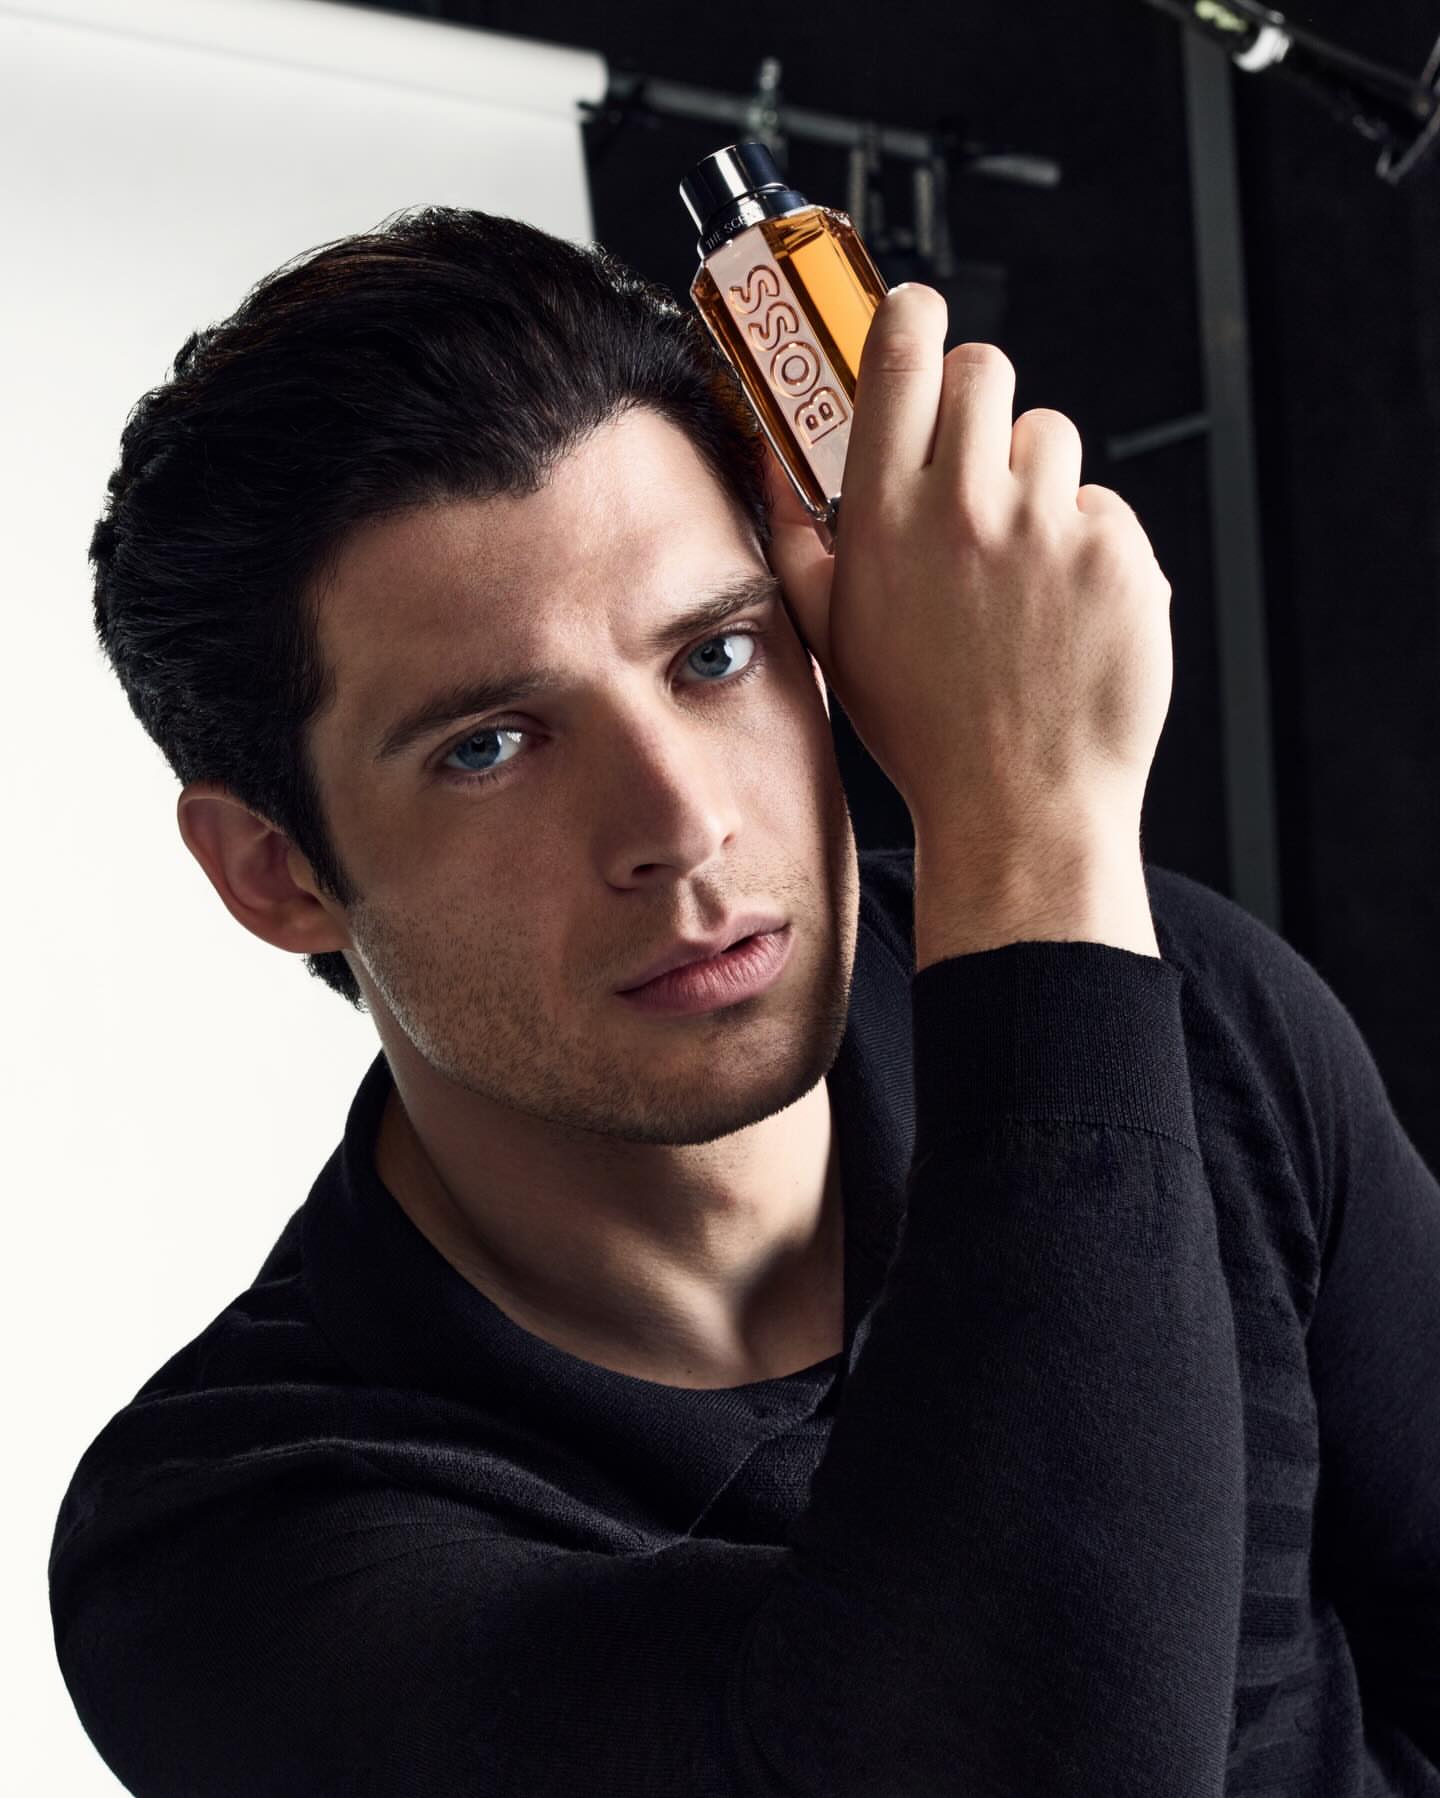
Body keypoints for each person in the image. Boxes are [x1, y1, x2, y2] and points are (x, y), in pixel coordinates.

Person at [49, 207, 1439, 1796]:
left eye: (714, 656)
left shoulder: (1176, 1007)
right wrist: (1032, 817)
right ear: (276, 870)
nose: (681, 824)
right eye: (489, 745)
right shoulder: (228, 1552)